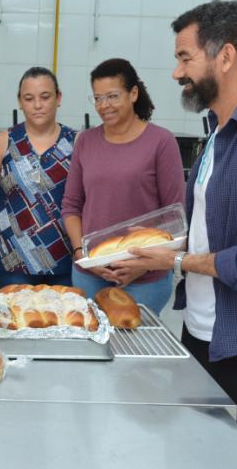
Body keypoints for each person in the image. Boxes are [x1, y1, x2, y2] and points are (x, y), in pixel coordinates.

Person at [110, 0, 237, 465]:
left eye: (185, 58)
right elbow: (215, 229)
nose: (176, 72)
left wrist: (178, 261)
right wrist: (155, 251)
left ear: (225, 56)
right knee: (195, 449)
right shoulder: (220, 131)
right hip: (204, 327)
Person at [62, 58, 185, 315]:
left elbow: (176, 218)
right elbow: (71, 206)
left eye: (112, 96)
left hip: (144, 279)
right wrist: (81, 255)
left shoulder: (161, 142)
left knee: (134, 341)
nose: (104, 105)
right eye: (98, 98)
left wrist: (143, 265)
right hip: (90, 275)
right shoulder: (85, 141)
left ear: (133, 93)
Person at [0, 67, 76, 289]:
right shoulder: (3, 142)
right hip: (12, 260)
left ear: (59, 98)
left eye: (45, 97)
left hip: (65, 258)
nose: (37, 105)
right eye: (29, 98)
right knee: (14, 312)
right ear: (20, 101)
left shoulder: (76, 143)